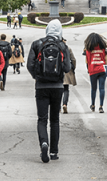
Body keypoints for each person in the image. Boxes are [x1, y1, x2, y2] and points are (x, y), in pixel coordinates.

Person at [27, 19, 71, 163]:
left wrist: (37, 76)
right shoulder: (62, 45)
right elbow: (67, 68)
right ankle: (54, 152)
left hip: (41, 86)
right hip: (58, 87)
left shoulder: (37, 44)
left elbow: (30, 65)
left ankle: (43, 143)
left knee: (42, 119)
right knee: (55, 120)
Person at [84, 32, 107, 113]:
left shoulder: (88, 49)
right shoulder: (102, 48)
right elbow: (105, 57)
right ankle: (101, 106)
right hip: (102, 69)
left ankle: (93, 105)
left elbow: (88, 60)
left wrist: (88, 69)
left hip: (93, 69)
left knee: (93, 89)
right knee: (102, 88)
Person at [62, 38, 76, 114]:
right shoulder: (68, 49)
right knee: (66, 89)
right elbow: (73, 59)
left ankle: (57, 107)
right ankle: (64, 104)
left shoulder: (55, 48)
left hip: (57, 71)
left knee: (58, 90)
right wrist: (73, 68)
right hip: (66, 70)